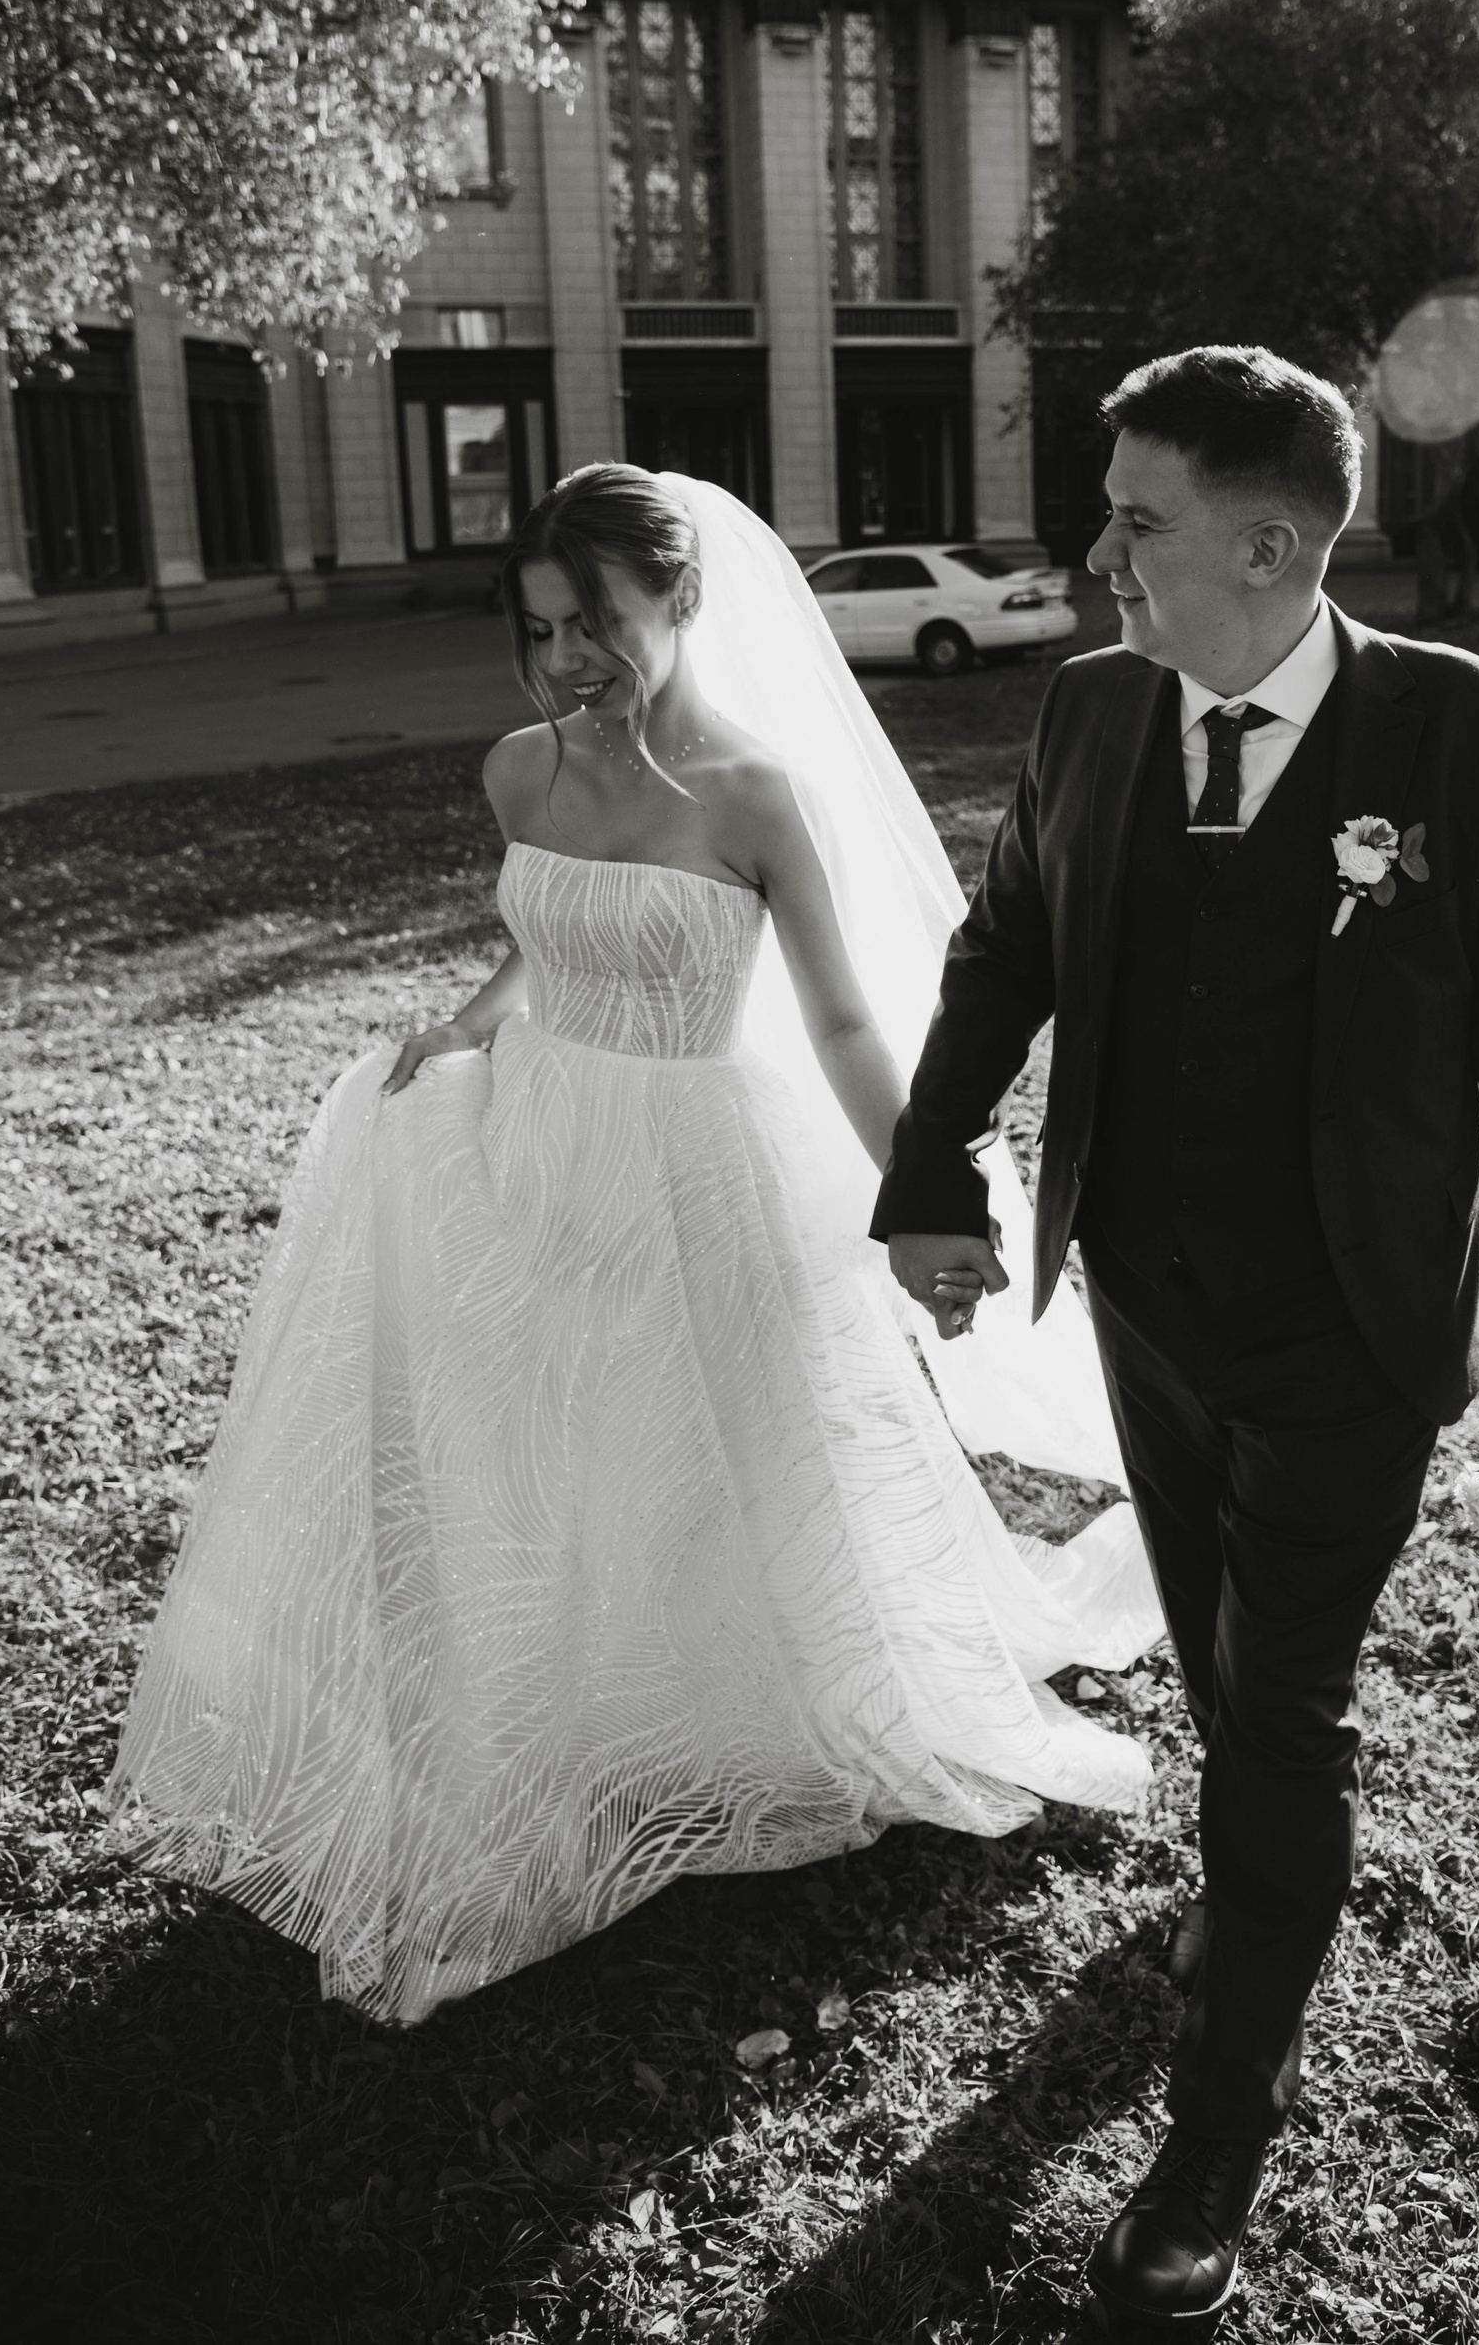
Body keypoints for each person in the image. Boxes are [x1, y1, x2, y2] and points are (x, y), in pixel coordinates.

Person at [111, 465, 1162, 2028]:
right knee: (537, 1448)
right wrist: (468, 1025)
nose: (566, 662)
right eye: (539, 631)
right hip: (532, 1145)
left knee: (705, 1450)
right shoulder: (518, 769)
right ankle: (563, 1712)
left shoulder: (751, 794)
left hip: (692, 1160)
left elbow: (844, 1020)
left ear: (681, 602)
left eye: (594, 624)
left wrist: (923, 1190)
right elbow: (543, 942)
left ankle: (720, 1708)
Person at [876, 348, 1479, 2332]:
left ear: (1270, 544)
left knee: (1284, 1701)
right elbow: (1009, 949)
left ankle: (1219, 2125)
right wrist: (932, 1170)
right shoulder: (1089, 712)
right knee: (1227, 1683)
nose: (1100, 556)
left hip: (1354, 1325)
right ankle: (1253, 1890)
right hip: (1142, 1301)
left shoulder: (1462, 730)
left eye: (1137, 520)